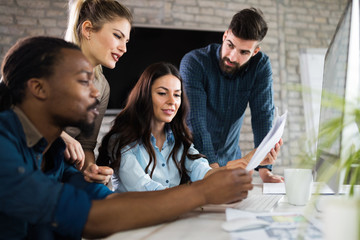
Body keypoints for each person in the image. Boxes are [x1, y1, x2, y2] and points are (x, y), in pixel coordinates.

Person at [0, 36, 253, 239]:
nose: (96, 91)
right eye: (83, 80)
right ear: (39, 88)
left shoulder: (58, 155)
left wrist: (219, 177)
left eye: (176, 95)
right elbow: (93, 218)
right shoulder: (4, 146)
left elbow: (108, 202)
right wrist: (203, 193)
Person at [96, 62, 279, 192]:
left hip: (172, 221)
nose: (171, 102)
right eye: (162, 93)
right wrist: (194, 193)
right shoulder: (121, 140)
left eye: (177, 95)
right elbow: (146, 190)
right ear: (144, 95)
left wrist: (247, 161)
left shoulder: (179, 141)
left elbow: (204, 174)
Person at [179, 8, 283, 183]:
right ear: (225, 35)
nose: (233, 57)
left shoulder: (260, 66)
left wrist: (265, 170)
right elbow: (195, 120)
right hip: (192, 164)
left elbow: (262, 115)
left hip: (233, 161)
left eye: (244, 52)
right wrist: (213, 172)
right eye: (230, 45)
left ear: (255, 51)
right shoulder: (194, 62)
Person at [62, 0, 132, 184]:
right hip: (23, 162)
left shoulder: (102, 87)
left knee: (104, 193)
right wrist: (61, 137)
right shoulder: (46, 61)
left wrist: (92, 170)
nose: (124, 49)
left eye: (126, 41)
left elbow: (86, 146)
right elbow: (8, 110)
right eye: (118, 36)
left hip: (63, 171)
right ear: (88, 30)